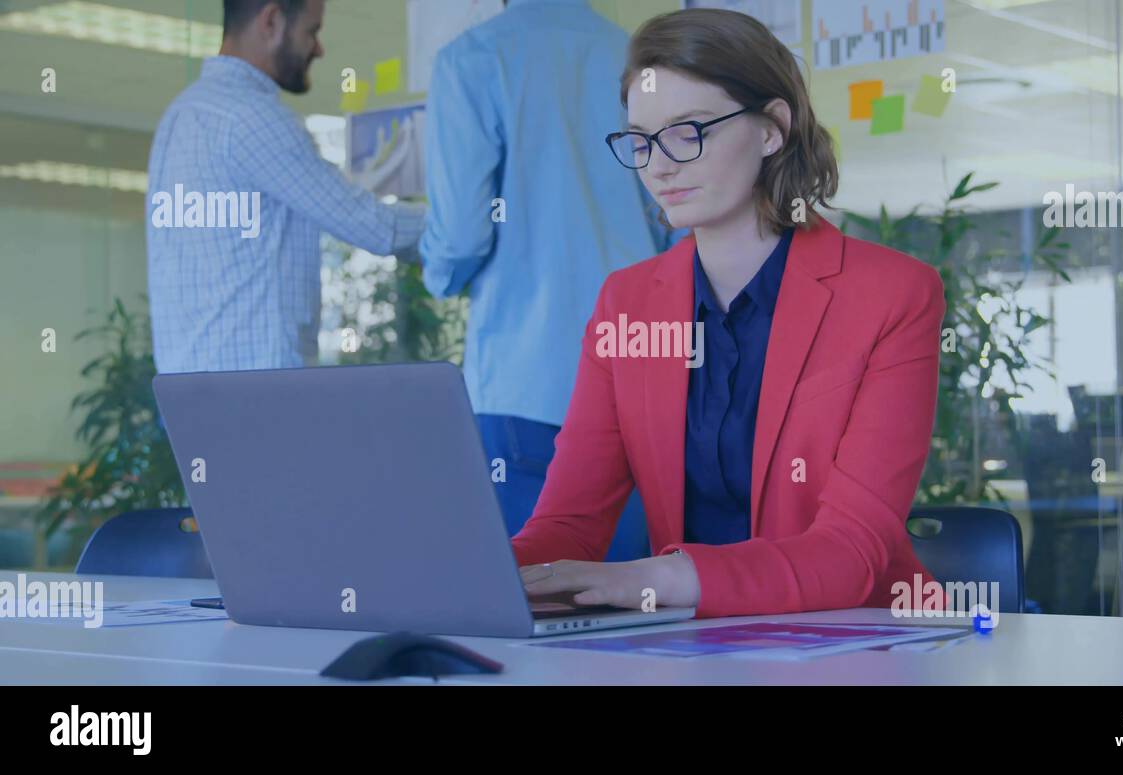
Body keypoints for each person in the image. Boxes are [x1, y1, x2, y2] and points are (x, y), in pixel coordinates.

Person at [511, 8, 947, 618]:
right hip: (691, 640)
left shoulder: (893, 294)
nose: (658, 165)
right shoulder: (627, 303)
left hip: (861, 636)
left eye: (689, 131)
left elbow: (851, 553)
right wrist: (488, 578)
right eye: (640, 140)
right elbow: (569, 524)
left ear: (771, 129)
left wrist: (650, 578)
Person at [420, 0, 675, 560]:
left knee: (535, 610)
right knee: (642, 614)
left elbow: (460, 236)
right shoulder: (638, 58)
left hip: (527, 379)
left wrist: (438, 273)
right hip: (643, 372)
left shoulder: (473, 59)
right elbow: (679, 219)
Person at [147, 0, 425, 373]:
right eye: (312, 31)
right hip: (254, 395)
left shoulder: (180, 116)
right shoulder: (252, 117)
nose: (319, 48)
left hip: (192, 396)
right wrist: (478, 226)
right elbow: (375, 226)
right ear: (272, 21)